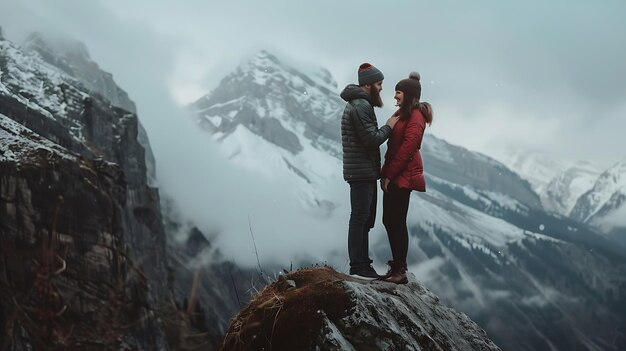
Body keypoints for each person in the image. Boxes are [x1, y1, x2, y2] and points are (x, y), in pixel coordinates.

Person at [340, 63, 400, 280]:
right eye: (379, 83)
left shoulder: (359, 103)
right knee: (360, 218)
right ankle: (358, 266)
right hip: (361, 171)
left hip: (362, 170)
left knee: (364, 219)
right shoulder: (361, 106)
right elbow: (370, 139)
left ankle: (363, 263)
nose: (382, 88)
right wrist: (389, 126)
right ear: (368, 85)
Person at [380, 72, 433, 284]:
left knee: (396, 221)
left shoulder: (415, 117)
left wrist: (389, 174)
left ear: (409, 95)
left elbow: (407, 148)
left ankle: (399, 270)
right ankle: (397, 267)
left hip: (403, 177)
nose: (395, 96)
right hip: (395, 175)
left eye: (398, 92)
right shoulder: (403, 113)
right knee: (389, 220)